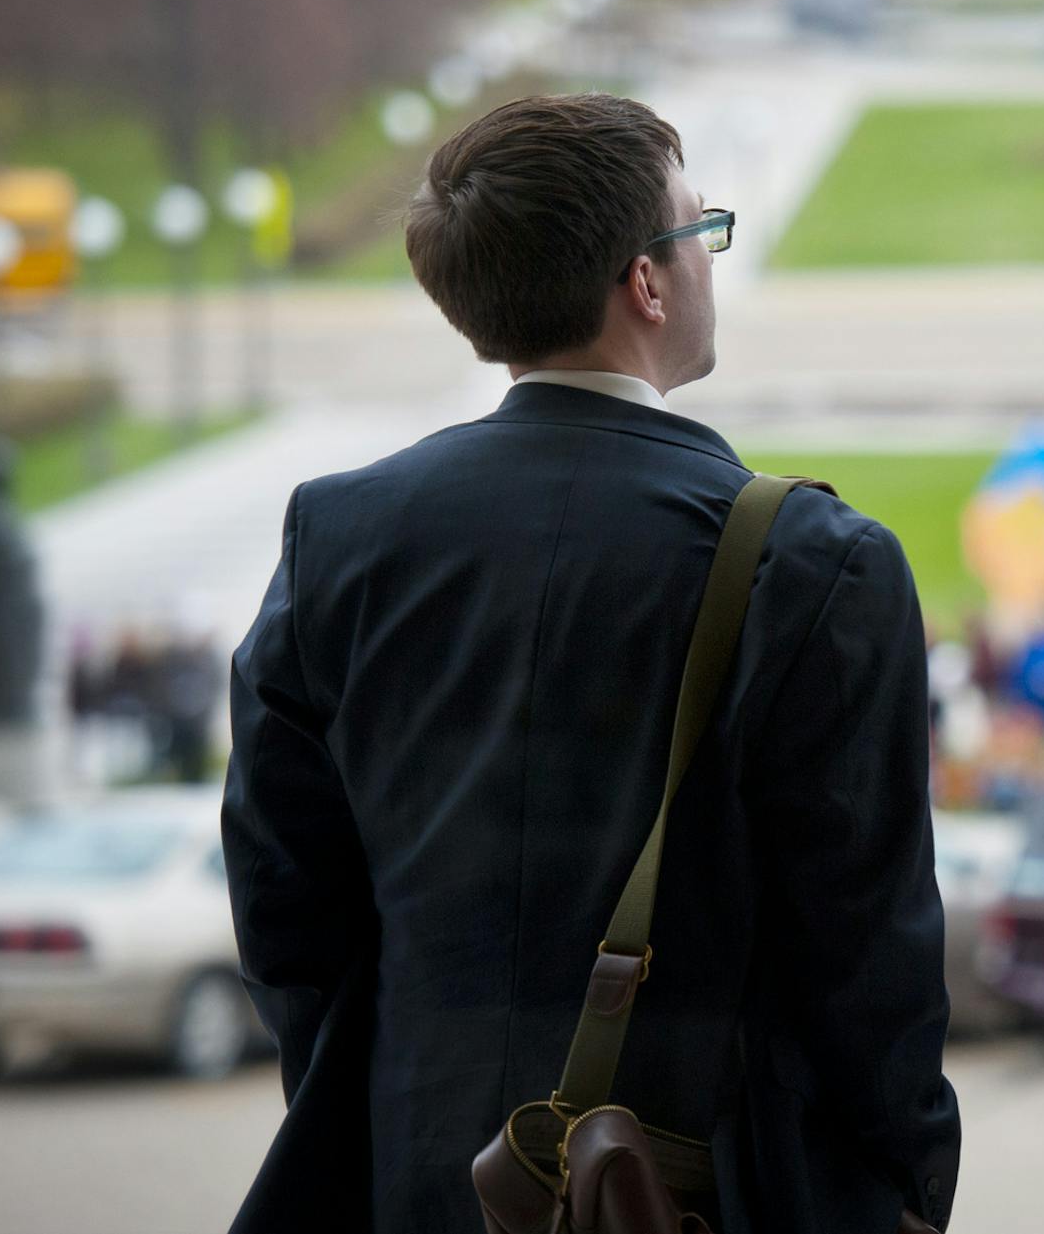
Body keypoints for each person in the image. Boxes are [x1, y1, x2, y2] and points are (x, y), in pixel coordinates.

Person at [222, 94, 958, 1234]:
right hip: (707, 1184)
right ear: (647, 284)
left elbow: (284, 905)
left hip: (410, 1170)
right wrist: (902, 1189)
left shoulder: (341, 536)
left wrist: (402, 1102)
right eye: (697, 231)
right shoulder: (814, 560)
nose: (708, 260)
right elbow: (869, 953)